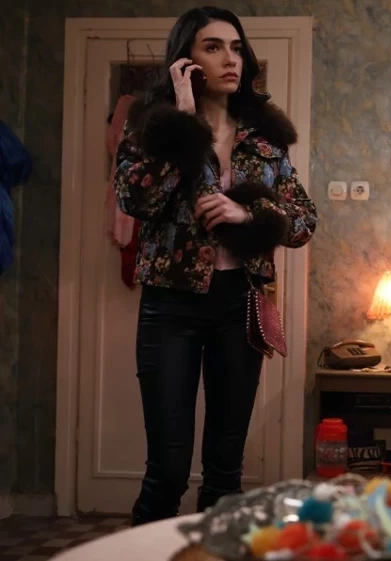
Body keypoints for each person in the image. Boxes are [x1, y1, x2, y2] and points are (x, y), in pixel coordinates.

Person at [113, 6, 317, 526]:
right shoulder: (149, 126)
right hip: (171, 306)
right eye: (213, 47)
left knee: (226, 471)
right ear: (186, 61)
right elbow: (136, 200)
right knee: (167, 471)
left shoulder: (266, 136)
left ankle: (216, 554)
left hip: (240, 304)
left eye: (237, 48)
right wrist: (182, 126)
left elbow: (303, 221)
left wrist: (251, 214)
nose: (231, 59)